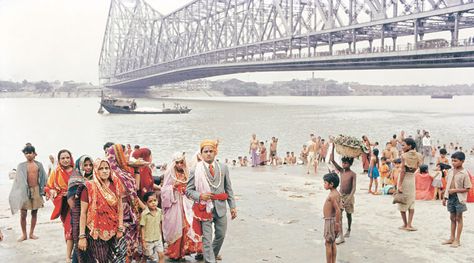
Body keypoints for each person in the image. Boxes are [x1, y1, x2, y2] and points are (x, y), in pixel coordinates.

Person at [186, 140, 237, 263]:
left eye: (211, 151)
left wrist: (232, 206)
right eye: (206, 151)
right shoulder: (195, 170)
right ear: (201, 154)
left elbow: (228, 188)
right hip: (204, 209)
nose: (208, 154)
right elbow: (188, 191)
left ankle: (210, 257)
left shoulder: (223, 168)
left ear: (215, 153)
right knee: (207, 239)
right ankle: (210, 261)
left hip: (220, 208)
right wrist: (200, 195)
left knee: (221, 235)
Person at [78, 158, 124, 262]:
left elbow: (120, 208)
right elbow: (83, 213)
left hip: (114, 230)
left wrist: (120, 228)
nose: (104, 171)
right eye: (101, 168)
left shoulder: (116, 185)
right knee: (101, 259)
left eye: (107, 168)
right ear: (95, 171)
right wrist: (82, 236)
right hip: (96, 232)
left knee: (116, 259)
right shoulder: (89, 187)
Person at [161, 152, 202, 260]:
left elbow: (193, 186)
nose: (179, 165)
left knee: (190, 225)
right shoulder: (169, 173)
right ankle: (175, 253)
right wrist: (173, 188)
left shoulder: (187, 172)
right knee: (175, 226)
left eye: (181, 162)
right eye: (177, 163)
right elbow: (164, 190)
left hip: (186, 202)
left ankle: (186, 251)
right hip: (175, 203)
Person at [107, 144, 142, 260]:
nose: (128, 156)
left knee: (131, 246)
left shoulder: (124, 172)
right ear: (118, 156)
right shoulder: (111, 174)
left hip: (130, 212)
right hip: (119, 213)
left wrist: (137, 170)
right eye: (125, 153)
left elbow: (135, 188)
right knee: (123, 247)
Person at [9, 145, 47, 242]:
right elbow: (18, 181)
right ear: (24, 154)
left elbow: (44, 178)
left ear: (34, 154)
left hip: (36, 190)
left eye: (30, 153)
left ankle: (31, 233)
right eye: (26, 153)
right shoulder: (21, 166)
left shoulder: (39, 165)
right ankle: (24, 234)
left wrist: (44, 191)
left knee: (34, 212)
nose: (28, 155)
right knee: (23, 213)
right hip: (24, 191)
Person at [45, 149, 75, 262]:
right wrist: (53, 192)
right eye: (63, 158)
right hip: (64, 205)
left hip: (77, 204)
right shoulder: (56, 172)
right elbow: (48, 186)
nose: (66, 160)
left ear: (71, 158)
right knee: (68, 228)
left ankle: (72, 254)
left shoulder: (76, 171)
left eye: (67, 157)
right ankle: (68, 256)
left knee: (76, 229)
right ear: (59, 160)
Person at [442, 151, 472, 248]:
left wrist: (455, 190)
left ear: (462, 161)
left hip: (459, 198)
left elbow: (468, 188)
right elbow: (447, 186)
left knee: (459, 218)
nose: (453, 163)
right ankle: (451, 238)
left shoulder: (464, 173)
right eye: (452, 161)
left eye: (455, 161)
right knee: (452, 218)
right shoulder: (450, 171)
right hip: (450, 197)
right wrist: (445, 197)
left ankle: (457, 240)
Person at [67, 155, 93, 263]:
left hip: (92, 217)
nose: (88, 167)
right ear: (79, 166)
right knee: (79, 245)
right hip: (79, 216)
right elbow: (70, 200)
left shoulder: (95, 179)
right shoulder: (75, 179)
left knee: (91, 246)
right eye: (85, 165)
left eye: (90, 165)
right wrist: (79, 212)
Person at [329, 145, 356, 244]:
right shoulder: (341, 171)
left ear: (350, 164)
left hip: (349, 196)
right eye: (343, 163)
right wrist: (333, 146)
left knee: (349, 214)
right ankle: (340, 235)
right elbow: (332, 160)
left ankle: (348, 229)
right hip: (341, 195)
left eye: (345, 163)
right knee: (339, 215)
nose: (344, 164)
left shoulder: (353, 174)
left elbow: (354, 188)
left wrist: (349, 198)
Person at [398, 138, 423, 232]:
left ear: (409, 146)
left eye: (403, 145)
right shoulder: (419, 155)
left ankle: (405, 224)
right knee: (411, 202)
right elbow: (420, 167)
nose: (402, 147)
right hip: (412, 178)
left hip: (404, 179)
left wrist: (399, 184)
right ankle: (409, 224)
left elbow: (403, 171)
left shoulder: (403, 156)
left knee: (402, 201)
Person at [140, 192, 165, 263]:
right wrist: (143, 241)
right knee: (146, 256)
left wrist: (161, 237)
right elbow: (142, 228)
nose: (153, 203)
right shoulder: (144, 214)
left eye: (155, 200)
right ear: (146, 203)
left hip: (158, 238)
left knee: (161, 255)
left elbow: (160, 224)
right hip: (148, 240)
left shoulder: (160, 211)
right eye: (150, 201)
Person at [322, 173, 341, 263]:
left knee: (328, 243)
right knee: (332, 242)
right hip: (333, 220)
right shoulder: (337, 193)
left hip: (330, 221)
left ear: (331, 184)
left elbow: (338, 210)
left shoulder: (331, 196)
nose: (324, 184)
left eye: (325, 182)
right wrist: (337, 223)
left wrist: (337, 224)